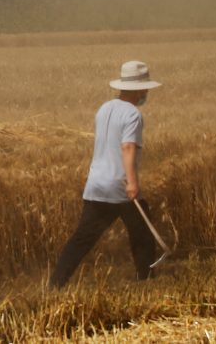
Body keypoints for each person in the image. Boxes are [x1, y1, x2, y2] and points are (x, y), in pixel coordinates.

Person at [49, 60, 162, 288]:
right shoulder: (133, 115)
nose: (147, 92)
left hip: (96, 183)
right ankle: (146, 279)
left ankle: (56, 283)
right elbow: (128, 147)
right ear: (139, 89)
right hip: (119, 184)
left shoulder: (104, 108)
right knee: (142, 235)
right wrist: (132, 183)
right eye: (146, 88)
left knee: (82, 238)